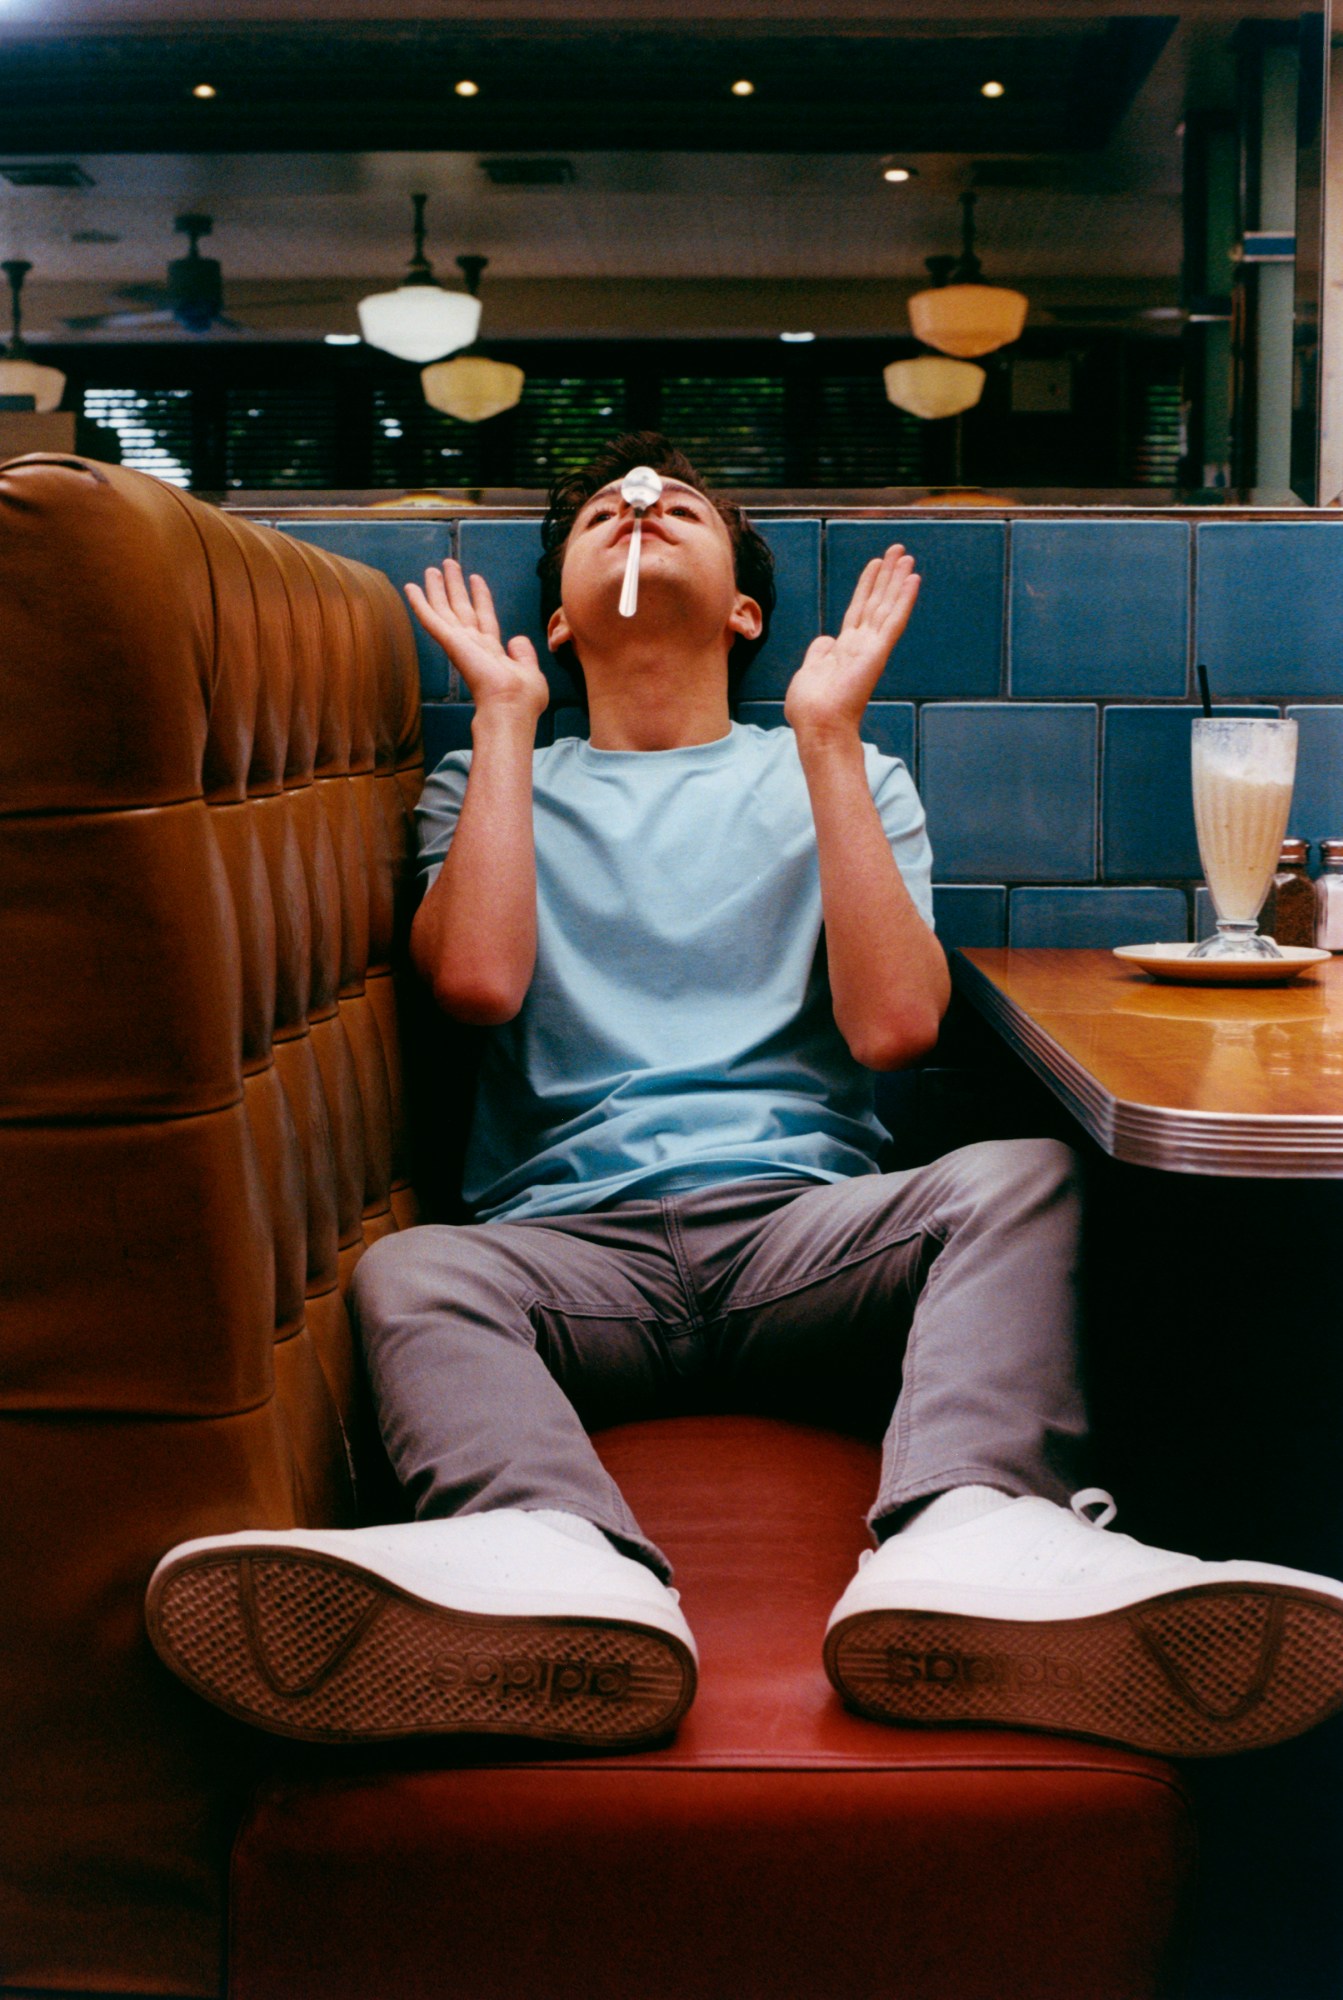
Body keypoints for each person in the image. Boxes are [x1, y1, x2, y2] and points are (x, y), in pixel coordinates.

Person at [147, 434, 1343, 1758]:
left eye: (677, 506)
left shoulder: (847, 774)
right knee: (415, 1270)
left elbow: (896, 1029)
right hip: (569, 1261)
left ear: (743, 609)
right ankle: (552, 1562)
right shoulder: (491, 781)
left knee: (1024, 1179)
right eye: (602, 509)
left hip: (808, 1249)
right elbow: (477, 987)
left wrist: (829, 742)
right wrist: (499, 716)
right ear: (557, 620)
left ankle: (969, 1540)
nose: (640, 509)